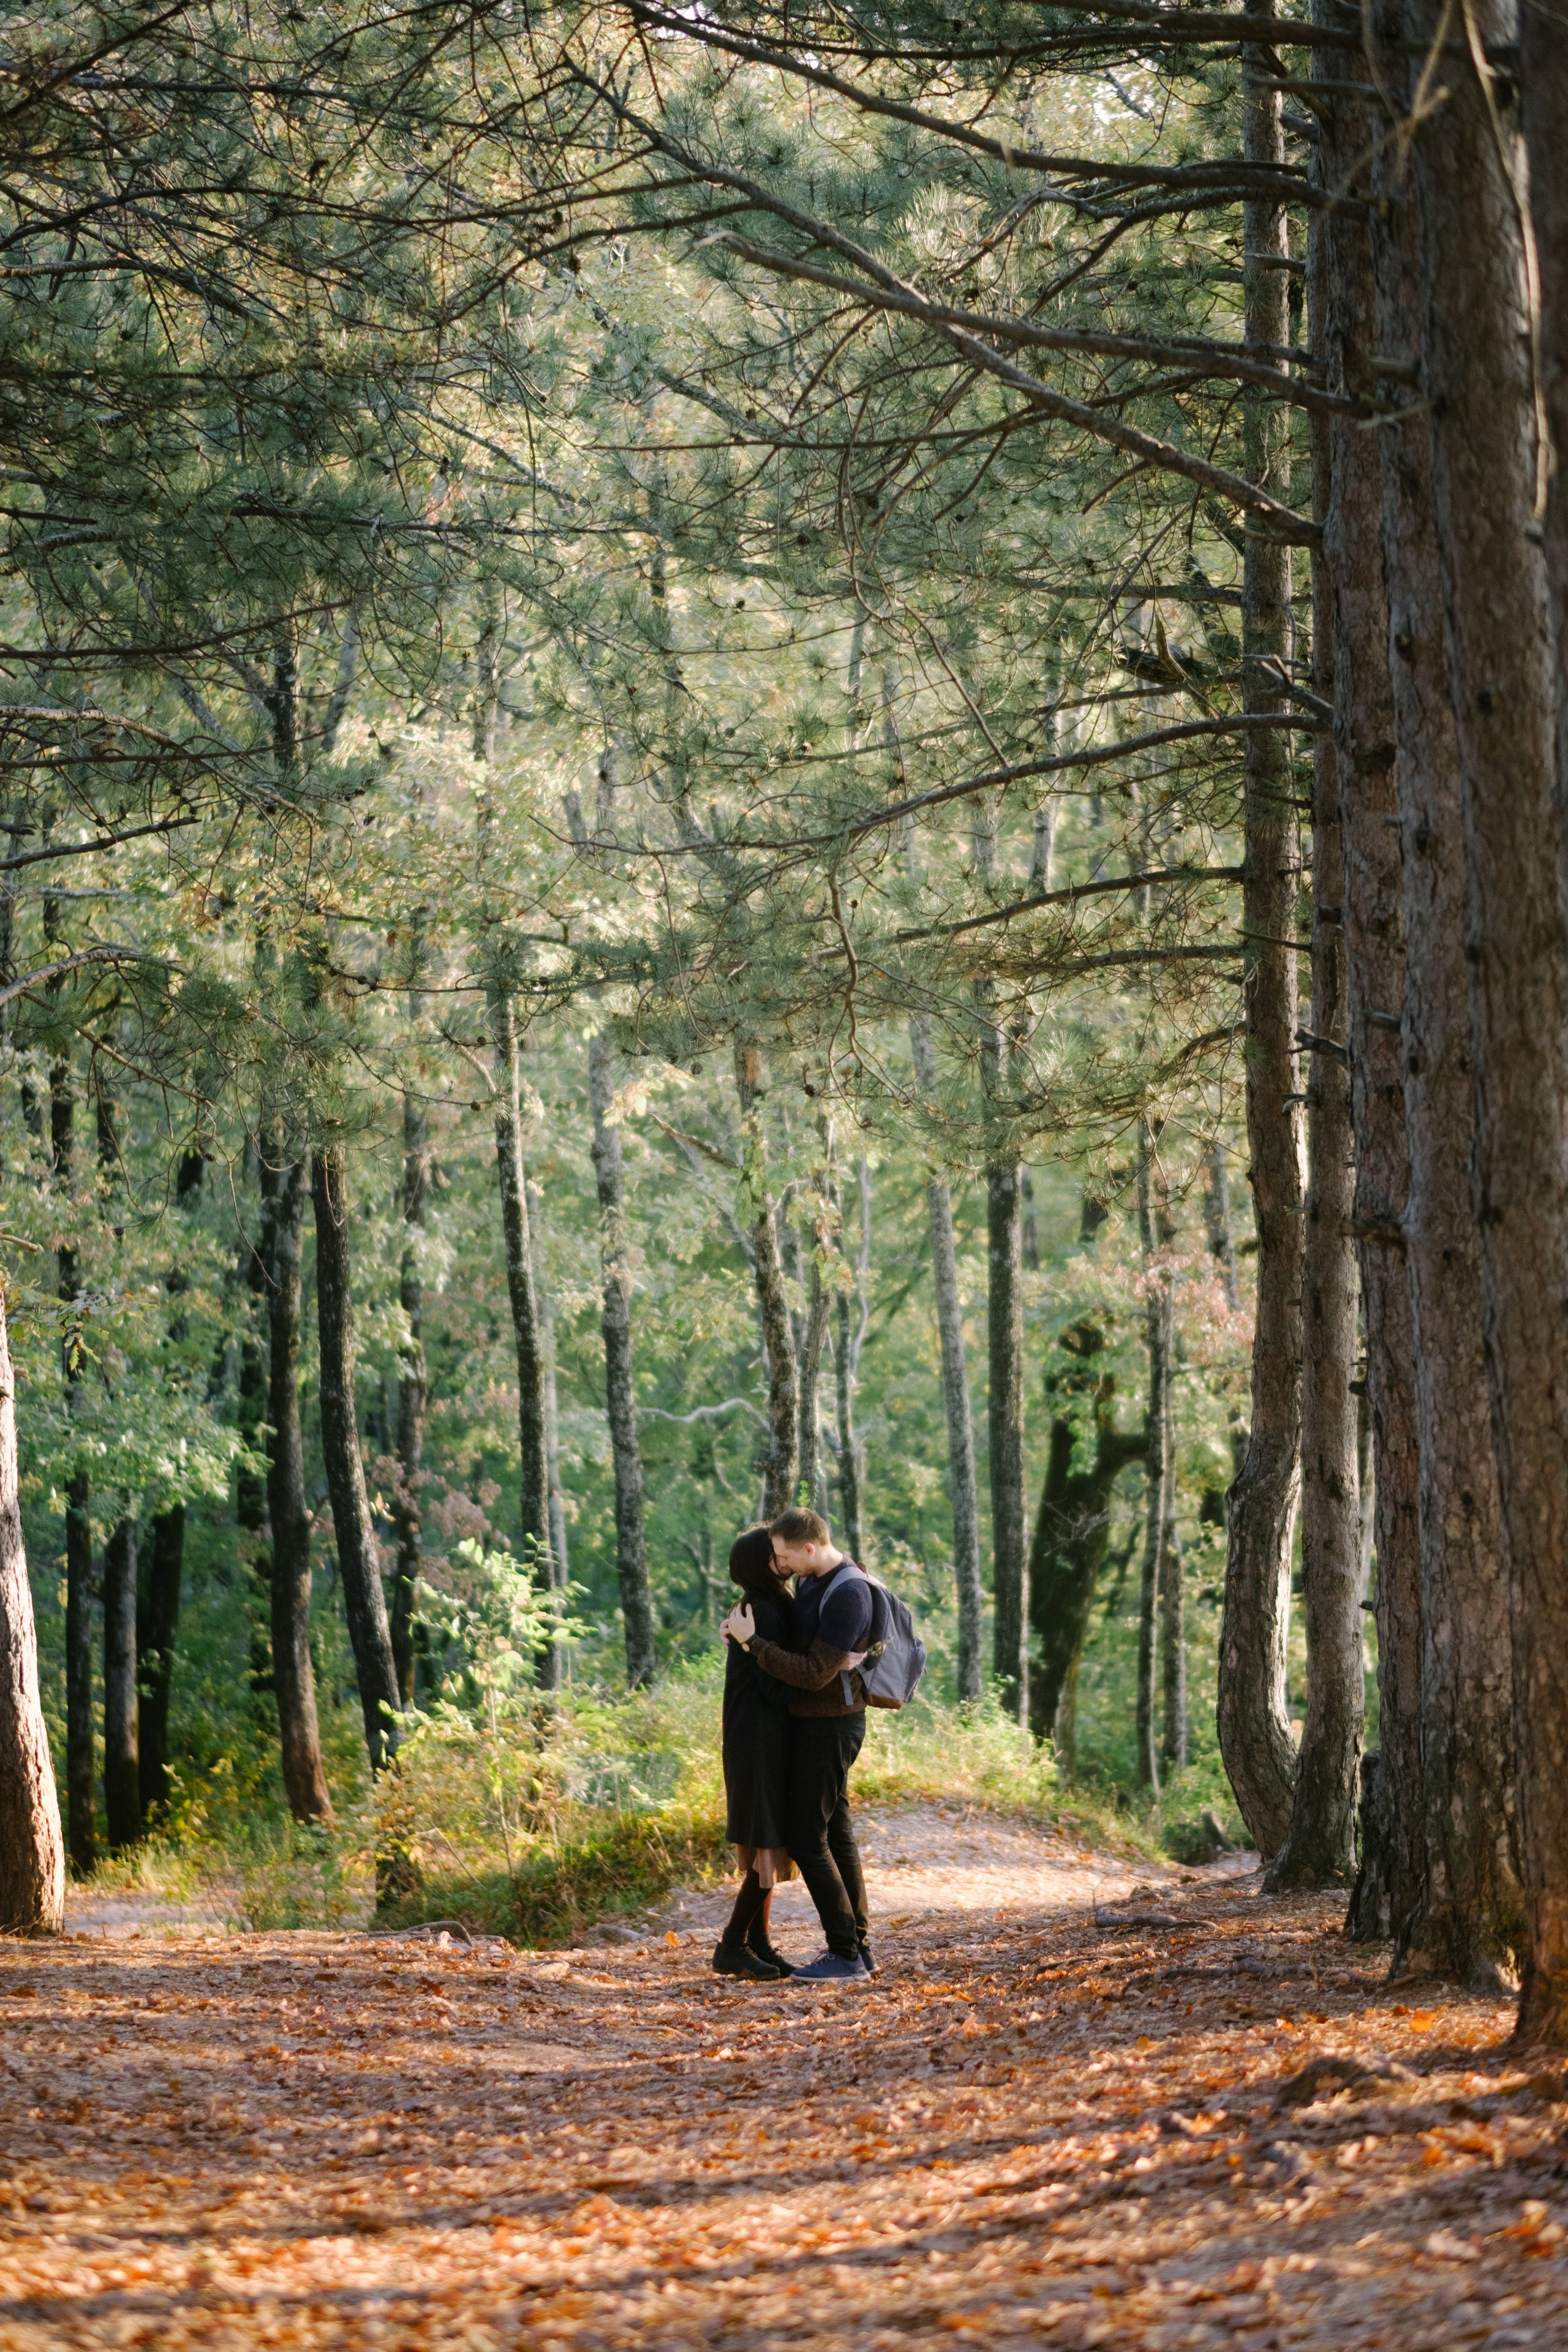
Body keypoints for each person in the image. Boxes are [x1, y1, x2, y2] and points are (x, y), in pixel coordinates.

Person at [722, 1506, 873, 1984]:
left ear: (808, 1549)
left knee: (807, 1837)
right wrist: (743, 1639)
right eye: (776, 1559)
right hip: (808, 1726)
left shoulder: (847, 1591)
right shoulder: (809, 1582)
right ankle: (856, 1948)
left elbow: (811, 1673)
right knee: (834, 1833)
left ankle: (846, 1952)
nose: (783, 1565)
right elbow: (802, 1654)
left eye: (784, 1556)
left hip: (832, 1725)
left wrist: (752, 1644)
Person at [714, 1525, 799, 1980]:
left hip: (751, 1737)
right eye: (775, 1554)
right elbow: (774, 1687)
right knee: (768, 1839)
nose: (784, 1560)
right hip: (762, 1739)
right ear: (760, 1565)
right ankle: (732, 1945)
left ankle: (759, 1943)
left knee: (767, 1837)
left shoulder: (751, 1608)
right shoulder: (764, 1613)